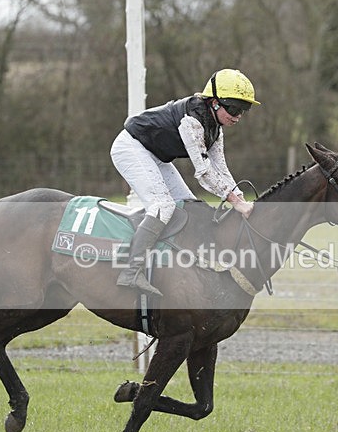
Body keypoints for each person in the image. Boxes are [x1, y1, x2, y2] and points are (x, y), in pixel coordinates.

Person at [110, 68, 259, 296]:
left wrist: (241, 199)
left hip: (154, 154)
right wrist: (235, 203)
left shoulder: (215, 129)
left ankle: (175, 263)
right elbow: (204, 172)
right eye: (234, 108)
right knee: (163, 206)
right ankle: (130, 272)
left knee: (190, 207)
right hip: (131, 147)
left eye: (243, 110)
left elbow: (222, 170)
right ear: (215, 102)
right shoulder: (192, 121)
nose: (238, 116)